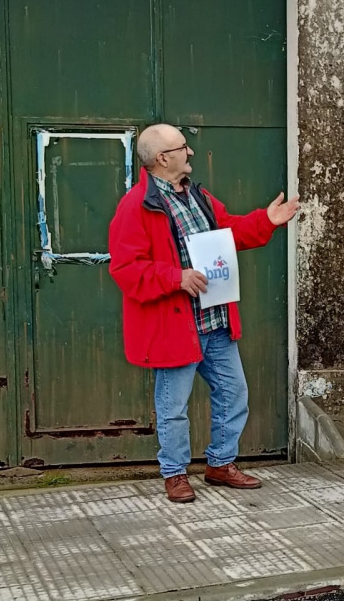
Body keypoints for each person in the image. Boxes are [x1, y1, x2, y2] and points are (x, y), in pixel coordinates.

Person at [108, 123, 298, 503]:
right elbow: (125, 268)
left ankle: (220, 464)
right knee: (173, 408)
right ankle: (175, 474)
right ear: (163, 158)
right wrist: (175, 277)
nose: (190, 152)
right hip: (174, 326)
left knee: (234, 394)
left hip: (214, 321)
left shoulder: (198, 196)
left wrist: (266, 220)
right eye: (183, 147)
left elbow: (228, 232)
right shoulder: (136, 206)